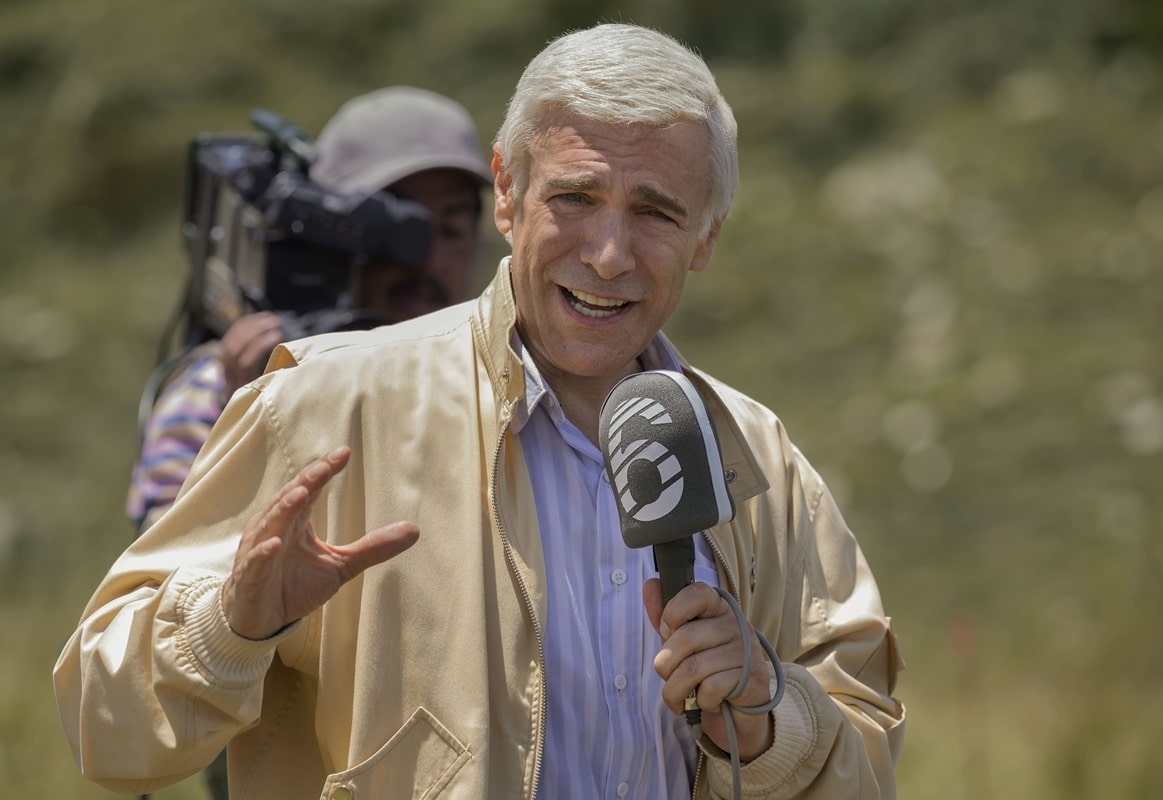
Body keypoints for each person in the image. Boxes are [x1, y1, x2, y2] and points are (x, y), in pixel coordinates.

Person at [55, 23, 905, 800]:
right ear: (507, 191)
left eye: (654, 212)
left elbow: (866, 758)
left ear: (708, 236)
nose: (607, 255)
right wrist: (231, 626)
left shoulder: (757, 458)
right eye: (574, 198)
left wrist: (767, 717)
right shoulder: (324, 405)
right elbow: (106, 732)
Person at [127, 85, 493, 533]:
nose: (425, 259)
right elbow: (165, 588)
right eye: (393, 229)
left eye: (450, 230)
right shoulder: (216, 386)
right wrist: (251, 434)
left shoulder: (507, 385)